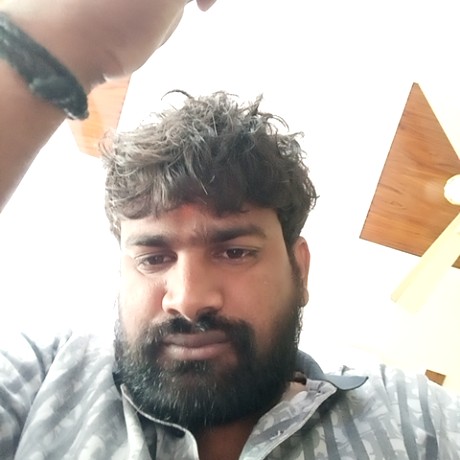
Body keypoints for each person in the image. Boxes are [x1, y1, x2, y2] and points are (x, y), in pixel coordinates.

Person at [0, 3, 459, 460]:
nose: (188, 299)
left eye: (234, 252)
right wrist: (60, 44)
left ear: (300, 270)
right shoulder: (41, 378)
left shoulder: (418, 419)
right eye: (154, 258)